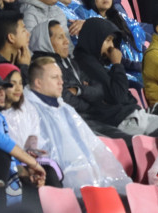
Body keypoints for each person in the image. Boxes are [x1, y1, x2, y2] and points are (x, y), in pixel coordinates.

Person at [24, 56, 133, 190]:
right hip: (63, 184)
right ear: (38, 83)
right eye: (54, 78)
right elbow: (41, 153)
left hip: (90, 178)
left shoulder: (65, 109)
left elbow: (93, 145)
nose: (61, 82)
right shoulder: (28, 111)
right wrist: (75, 171)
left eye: (61, 77)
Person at [74, 18, 158, 135]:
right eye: (108, 40)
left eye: (113, 41)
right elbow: (118, 95)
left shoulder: (93, 62)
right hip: (125, 122)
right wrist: (117, 64)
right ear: (94, 38)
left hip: (133, 115)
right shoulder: (87, 64)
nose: (111, 46)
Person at [0, 69, 46, 205]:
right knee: (0, 156)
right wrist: (31, 162)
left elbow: (9, 156)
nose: (1, 94)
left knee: (31, 181)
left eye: (2, 89)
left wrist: (27, 171)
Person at [77, 0, 146, 83]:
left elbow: (137, 44)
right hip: (119, 73)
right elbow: (110, 56)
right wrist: (140, 66)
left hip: (137, 67)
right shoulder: (91, 22)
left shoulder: (118, 17)